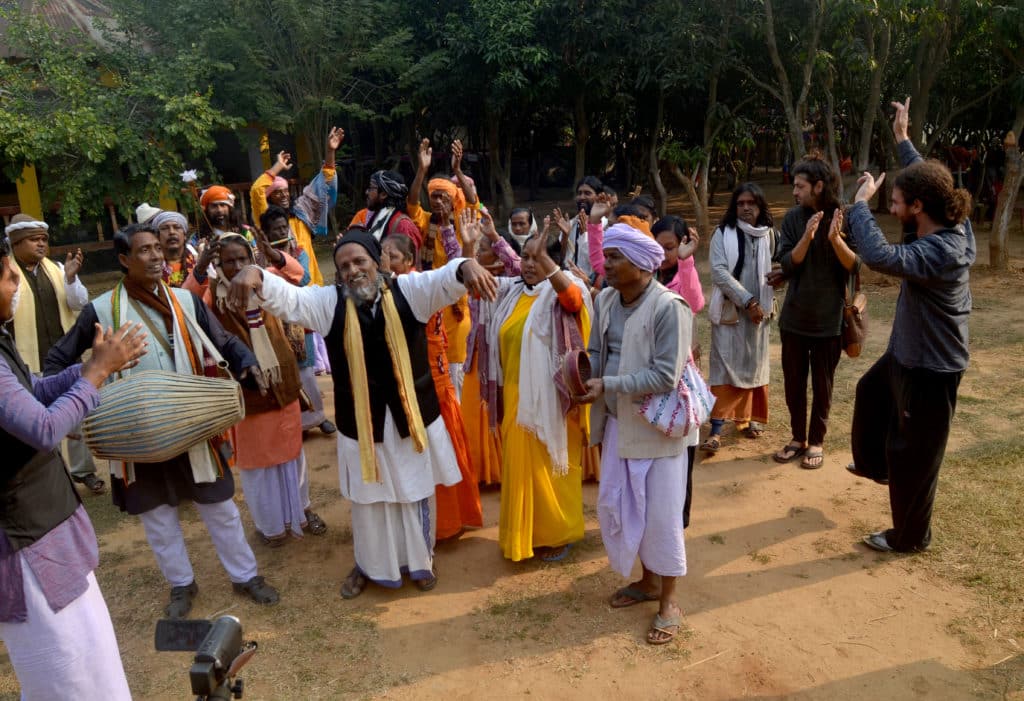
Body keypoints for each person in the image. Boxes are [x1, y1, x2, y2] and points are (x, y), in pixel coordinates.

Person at [226, 227, 497, 597]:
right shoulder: (328, 303)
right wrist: (254, 273)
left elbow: (447, 278)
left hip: (410, 419)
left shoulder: (410, 292)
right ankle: (369, 566)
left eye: (360, 261)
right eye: (344, 265)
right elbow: (288, 298)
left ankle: (420, 563)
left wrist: (467, 265)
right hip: (362, 424)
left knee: (414, 492)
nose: (353, 270)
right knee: (369, 501)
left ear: (379, 262)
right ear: (338, 273)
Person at [45, 224, 280, 618]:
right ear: (123, 260)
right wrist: (87, 391)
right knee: (157, 515)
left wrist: (248, 361)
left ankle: (245, 576)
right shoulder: (100, 311)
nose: (156, 257)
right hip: (135, 432)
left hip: (191, 421)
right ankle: (181, 585)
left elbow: (223, 340)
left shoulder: (186, 301)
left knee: (219, 505)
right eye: (144, 251)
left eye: (158, 249)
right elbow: (57, 362)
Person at [0, 234, 146, 700]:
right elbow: (44, 428)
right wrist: (96, 374)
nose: (15, 286)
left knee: (90, 659)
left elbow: (32, 392)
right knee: (64, 673)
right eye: (7, 277)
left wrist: (91, 364)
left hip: (45, 527)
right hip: (24, 538)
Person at [846, 98, 975, 553]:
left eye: (896, 201)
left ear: (919, 206)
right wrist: (903, 139)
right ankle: (877, 467)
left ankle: (910, 538)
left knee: (915, 458)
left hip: (931, 368)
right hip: (907, 352)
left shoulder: (942, 249)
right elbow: (925, 173)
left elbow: (881, 257)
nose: (892, 206)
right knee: (871, 393)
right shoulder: (944, 214)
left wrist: (859, 206)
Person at [576, 221, 692, 645]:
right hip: (618, 426)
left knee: (661, 516)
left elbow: (665, 375)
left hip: (658, 431)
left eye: (614, 257)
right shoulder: (606, 299)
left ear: (643, 266)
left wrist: (609, 385)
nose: (605, 264)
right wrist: (581, 377)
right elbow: (594, 351)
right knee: (627, 509)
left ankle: (669, 602)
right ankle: (647, 583)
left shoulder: (670, 307)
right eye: (606, 256)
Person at [187, 233, 328, 545]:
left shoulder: (267, 281)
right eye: (229, 261)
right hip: (246, 390)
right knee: (257, 466)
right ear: (217, 264)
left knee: (294, 455)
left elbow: (298, 275)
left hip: (283, 381)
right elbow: (184, 302)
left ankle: (302, 512)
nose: (237, 266)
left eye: (243, 259)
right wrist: (199, 270)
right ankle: (271, 528)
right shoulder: (211, 294)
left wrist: (273, 257)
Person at [476, 232, 591, 562]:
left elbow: (572, 301)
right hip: (514, 395)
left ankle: (558, 532)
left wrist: (547, 261)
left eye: (536, 257)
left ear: (552, 261)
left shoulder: (566, 291)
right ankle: (522, 536)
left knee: (552, 470)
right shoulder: (511, 293)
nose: (527, 264)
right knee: (519, 468)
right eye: (525, 257)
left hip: (551, 399)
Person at [381, 232, 482, 539]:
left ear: (409, 261)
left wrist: (468, 249)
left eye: (392, 258)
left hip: (430, 389)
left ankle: (443, 524)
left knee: (437, 455)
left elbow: (458, 282)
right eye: (381, 257)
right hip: (416, 387)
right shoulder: (391, 288)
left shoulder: (416, 288)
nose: (385, 263)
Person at [769, 155, 859, 469]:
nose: (794, 191)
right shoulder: (794, 218)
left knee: (823, 384)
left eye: (800, 186)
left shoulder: (844, 217)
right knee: (794, 383)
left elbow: (854, 266)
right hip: (794, 317)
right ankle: (798, 438)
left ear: (818, 186)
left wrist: (834, 238)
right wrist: (806, 237)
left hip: (829, 321)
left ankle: (816, 441)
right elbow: (788, 264)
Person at [5, 214, 104, 494]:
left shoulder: (57, 269)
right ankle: (50, 477)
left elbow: (79, 303)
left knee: (76, 412)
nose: (41, 245)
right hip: (25, 362)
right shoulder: (7, 273)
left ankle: (84, 471)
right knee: (38, 421)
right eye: (34, 240)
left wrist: (71, 278)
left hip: (61, 358)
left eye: (44, 240)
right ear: (16, 242)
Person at [701, 184, 776, 452]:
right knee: (724, 366)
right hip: (731, 312)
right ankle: (717, 428)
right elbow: (719, 273)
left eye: (751, 203)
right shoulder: (722, 233)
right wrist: (749, 301)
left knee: (754, 363)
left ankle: (748, 419)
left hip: (760, 316)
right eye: (740, 203)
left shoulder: (770, 235)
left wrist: (765, 298)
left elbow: (775, 268)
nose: (746, 208)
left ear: (760, 207)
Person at [407, 138, 477, 397]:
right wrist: (422, 171)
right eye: (433, 196)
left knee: (456, 369)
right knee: (434, 363)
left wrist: (457, 170)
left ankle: (457, 418)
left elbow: (473, 203)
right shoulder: (425, 222)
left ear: (452, 199)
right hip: (431, 301)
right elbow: (412, 204)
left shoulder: (462, 222)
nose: (437, 201)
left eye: (443, 196)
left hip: (457, 307)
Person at [261, 206, 337, 435]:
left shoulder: (299, 251)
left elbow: (303, 278)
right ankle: (295, 423)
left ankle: (318, 416)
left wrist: (277, 265)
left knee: (306, 373)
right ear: (266, 233)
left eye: (284, 227)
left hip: (299, 322)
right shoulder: (257, 254)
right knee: (282, 374)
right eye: (276, 229)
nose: (281, 231)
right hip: (272, 322)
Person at [460, 210, 521, 484]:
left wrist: (495, 237)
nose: (479, 253)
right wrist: (468, 244)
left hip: (502, 359)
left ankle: (501, 468)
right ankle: (483, 470)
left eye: (483, 250)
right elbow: (457, 266)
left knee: (502, 411)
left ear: (496, 256)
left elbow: (520, 266)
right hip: (476, 357)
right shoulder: (475, 280)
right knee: (474, 416)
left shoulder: (511, 283)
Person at [249, 127, 344, 287]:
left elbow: (324, 184)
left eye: (286, 191)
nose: (284, 195)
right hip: (282, 288)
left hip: (311, 284)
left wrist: (330, 152)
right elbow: (257, 190)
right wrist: (277, 167)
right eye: (277, 193)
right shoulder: (265, 217)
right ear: (269, 197)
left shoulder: (301, 211)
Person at [349, 170, 423, 248]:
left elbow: (409, 259)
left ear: (383, 194)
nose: (367, 192)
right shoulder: (377, 217)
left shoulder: (403, 226)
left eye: (371, 188)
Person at [553, 176, 603, 280]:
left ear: (598, 197)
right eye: (579, 193)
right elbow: (561, 259)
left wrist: (584, 235)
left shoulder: (606, 226)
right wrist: (565, 237)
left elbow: (597, 263)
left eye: (587, 193)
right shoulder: (571, 224)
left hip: (591, 283)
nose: (582, 197)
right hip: (568, 280)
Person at [153, 210, 198, 288]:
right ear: (157, 236)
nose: (171, 232)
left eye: (177, 227)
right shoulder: (151, 267)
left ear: (185, 235)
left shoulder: (199, 262)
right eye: (165, 228)